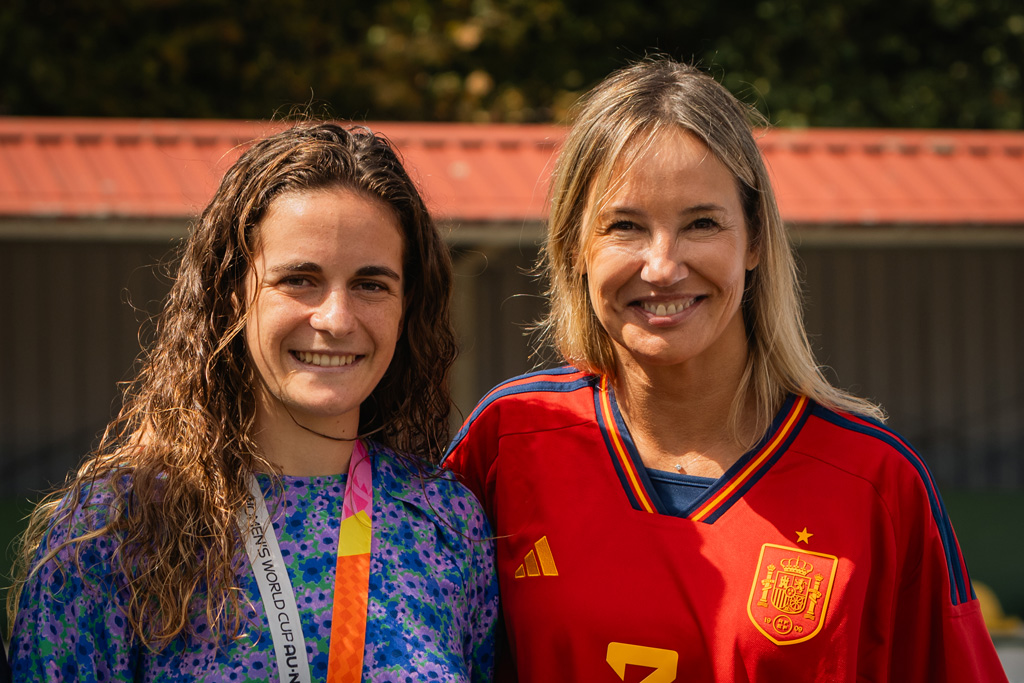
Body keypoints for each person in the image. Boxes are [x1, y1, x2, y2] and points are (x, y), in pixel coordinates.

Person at [443, 58, 1008, 682]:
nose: (662, 266)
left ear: (756, 239)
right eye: (625, 225)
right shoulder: (509, 438)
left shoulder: (878, 482)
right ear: (575, 246)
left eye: (702, 223)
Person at [8, 122, 498, 681]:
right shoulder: (117, 529)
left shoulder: (445, 521)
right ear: (231, 295)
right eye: (299, 279)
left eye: (371, 284)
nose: (337, 319)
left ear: (407, 306)